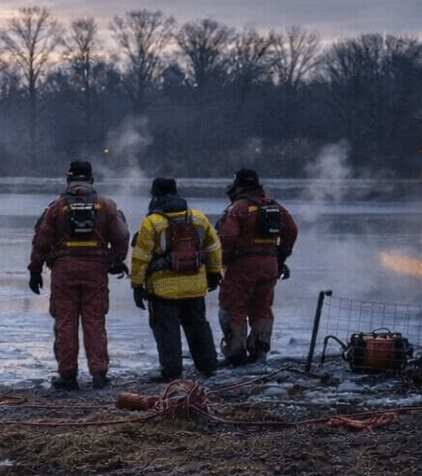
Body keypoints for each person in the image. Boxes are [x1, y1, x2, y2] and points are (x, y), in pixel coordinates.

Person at [28, 159, 130, 390]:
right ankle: (99, 373)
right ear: (91, 180)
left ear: (68, 180)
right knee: (95, 322)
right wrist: (115, 260)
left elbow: (41, 240)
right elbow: (122, 236)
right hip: (96, 271)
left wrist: (35, 270)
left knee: (65, 322)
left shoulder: (56, 207)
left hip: (64, 272)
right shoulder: (106, 206)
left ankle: (67, 375)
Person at [129, 177, 222, 382]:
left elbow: (140, 257)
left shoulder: (152, 222)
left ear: (155, 195)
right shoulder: (198, 217)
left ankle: (171, 371)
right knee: (198, 325)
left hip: (163, 289)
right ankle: (208, 367)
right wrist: (215, 273)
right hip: (195, 286)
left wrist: (136, 285)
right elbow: (214, 247)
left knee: (166, 329)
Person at [215, 168, 299, 366]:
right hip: (270, 266)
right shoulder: (274, 206)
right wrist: (280, 257)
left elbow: (227, 237)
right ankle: (259, 351)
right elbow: (291, 230)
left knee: (233, 308)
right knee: (262, 309)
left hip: (242, 266)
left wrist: (221, 262)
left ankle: (235, 352)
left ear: (238, 186)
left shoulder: (238, 208)